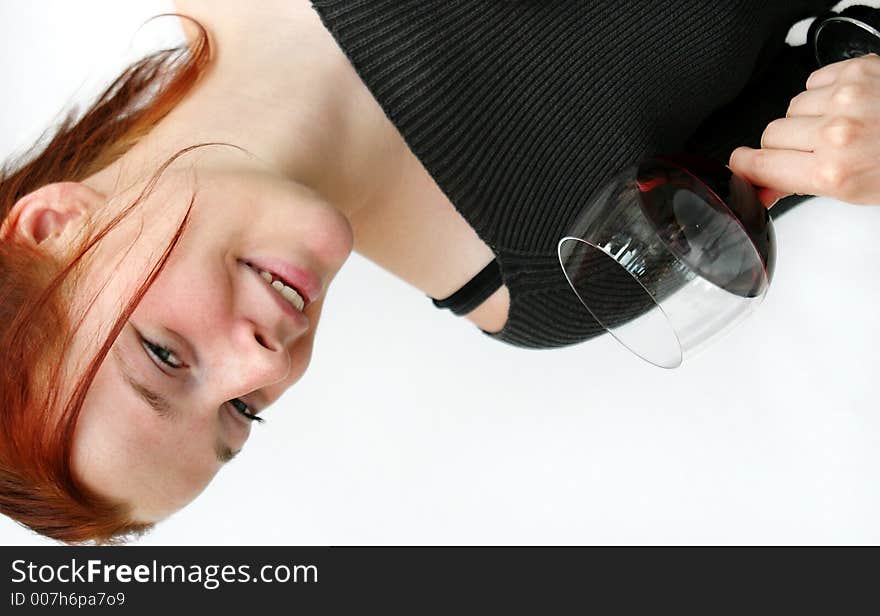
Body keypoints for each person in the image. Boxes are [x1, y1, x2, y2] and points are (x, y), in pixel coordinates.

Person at [2, 0, 879, 544]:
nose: (266, 367)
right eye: (239, 414)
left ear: (55, 226)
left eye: (163, 356)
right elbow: (845, 52)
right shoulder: (560, 278)